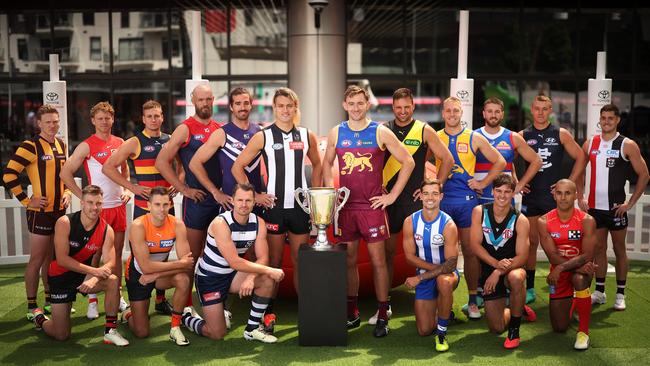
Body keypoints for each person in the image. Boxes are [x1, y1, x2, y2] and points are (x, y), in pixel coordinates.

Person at [322, 85, 415, 337]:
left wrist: (392, 195)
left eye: (360, 103)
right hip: (346, 208)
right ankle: (352, 312)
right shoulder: (336, 132)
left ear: (367, 104)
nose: (355, 108)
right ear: (344, 105)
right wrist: (331, 196)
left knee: (378, 261)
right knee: (349, 261)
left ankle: (383, 312)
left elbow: (409, 160)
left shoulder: (380, 132)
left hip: (372, 207)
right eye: (351, 103)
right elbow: (327, 165)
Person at [232, 87, 322, 333]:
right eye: (280, 106)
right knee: (273, 261)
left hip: (300, 209)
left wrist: (315, 199)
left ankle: (307, 312)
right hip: (273, 209)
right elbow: (238, 167)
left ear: (295, 108)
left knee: (300, 261)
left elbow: (318, 165)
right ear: (274, 108)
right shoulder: (263, 136)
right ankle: (268, 313)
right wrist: (256, 196)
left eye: (289, 106)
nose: (285, 110)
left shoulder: (306, 134)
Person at [376, 88, 453, 326]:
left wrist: (433, 185)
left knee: (424, 251)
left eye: (406, 107)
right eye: (398, 107)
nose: (402, 111)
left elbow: (447, 159)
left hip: (413, 201)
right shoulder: (383, 129)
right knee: (388, 253)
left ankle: (441, 299)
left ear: (413, 106)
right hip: (388, 201)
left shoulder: (424, 129)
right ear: (393, 108)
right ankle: (384, 305)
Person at [181, 183, 285, 343]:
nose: (244, 205)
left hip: (232, 275)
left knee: (266, 279)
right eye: (240, 200)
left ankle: (252, 329)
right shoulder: (221, 223)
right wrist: (269, 270)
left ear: (254, 202)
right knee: (216, 333)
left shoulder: (259, 223)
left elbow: (263, 257)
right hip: (210, 278)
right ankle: (186, 318)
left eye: (248, 201)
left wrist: (251, 277)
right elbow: (234, 261)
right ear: (233, 201)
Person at [103, 100, 180, 315]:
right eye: (150, 116)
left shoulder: (171, 140)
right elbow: (108, 167)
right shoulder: (135, 142)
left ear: (162, 117)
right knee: (140, 255)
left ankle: (161, 299)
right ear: (143, 119)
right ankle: (138, 298)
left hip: (167, 207)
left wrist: (178, 183)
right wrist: (132, 187)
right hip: (143, 209)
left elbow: (182, 166)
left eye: (158, 115)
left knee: (164, 251)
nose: (154, 120)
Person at [31, 185, 129, 346]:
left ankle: (110, 331)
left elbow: (111, 262)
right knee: (61, 334)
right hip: (60, 277)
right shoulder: (65, 222)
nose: (94, 207)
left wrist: (94, 278)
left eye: (98, 203)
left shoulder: (106, 230)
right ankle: (40, 318)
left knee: (112, 280)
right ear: (82, 203)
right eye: (90, 202)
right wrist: (94, 272)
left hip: (83, 276)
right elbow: (62, 259)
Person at [436, 96, 506, 319]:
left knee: (470, 251)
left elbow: (500, 162)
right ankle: (442, 302)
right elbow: (421, 162)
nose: (452, 115)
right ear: (443, 113)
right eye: (448, 111)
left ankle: (473, 300)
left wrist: (483, 183)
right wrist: (431, 182)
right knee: (442, 253)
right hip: (443, 202)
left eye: (456, 111)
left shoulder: (473, 137)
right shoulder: (435, 137)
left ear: (461, 113)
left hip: (467, 202)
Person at [155, 84, 222, 317]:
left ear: (213, 100)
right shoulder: (185, 129)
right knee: (191, 256)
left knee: (216, 254)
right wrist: (183, 188)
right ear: (193, 101)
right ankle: (183, 307)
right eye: (201, 99)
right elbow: (162, 162)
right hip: (197, 201)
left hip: (218, 198)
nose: (205, 103)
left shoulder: (218, 128)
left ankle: (214, 301)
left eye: (209, 99)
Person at [60, 101, 130, 318]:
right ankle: (91, 300)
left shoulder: (120, 142)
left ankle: (116, 295)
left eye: (107, 118)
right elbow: (65, 173)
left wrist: (128, 189)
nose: (104, 122)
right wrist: (84, 197)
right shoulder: (86, 145)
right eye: (100, 118)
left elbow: (125, 171)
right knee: (95, 255)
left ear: (113, 119)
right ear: (92, 121)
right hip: (98, 211)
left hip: (118, 207)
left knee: (116, 254)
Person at [3, 104, 72, 320]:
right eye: (48, 122)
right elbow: (8, 175)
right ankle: (32, 306)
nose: (53, 125)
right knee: (37, 258)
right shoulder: (30, 146)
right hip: (40, 212)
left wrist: (68, 192)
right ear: (39, 123)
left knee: (52, 259)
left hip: (59, 211)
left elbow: (66, 176)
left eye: (55, 121)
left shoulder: (62, 145)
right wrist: (26, 200)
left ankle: (50, 300)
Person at [577, 104, 649, 310]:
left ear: (617, 120)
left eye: (610, 118)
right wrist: (580, 196)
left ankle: (620, 294)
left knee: (619, 250)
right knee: (598, 249)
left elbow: (644, 175)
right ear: (599, 120)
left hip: (616, 208)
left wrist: (630, 203)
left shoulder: (627, 144)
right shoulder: (590, 143)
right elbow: (579, 170)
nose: (606, 121)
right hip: (594, 209)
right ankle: (600, 292)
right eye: (603, 118)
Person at [519, 95, 586, 305]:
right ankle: (529, 288)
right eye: (537, 108)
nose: (540, 112)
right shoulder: (522, 135)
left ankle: (560, 281)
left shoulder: (561, 133)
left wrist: (567, 183)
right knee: (530, 243)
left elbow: (582, 157)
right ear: (532, 109)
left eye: (544, 109)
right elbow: (504, 157)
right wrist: (517, 181)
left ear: (550, 111)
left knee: (559, 243)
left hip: (554, 199)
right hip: (531, 197)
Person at [469, 173, 536, 349]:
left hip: (510, 269)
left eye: (507, 192)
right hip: (489, 269)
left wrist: (499, 271)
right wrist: (494, 266)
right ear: (492, 191)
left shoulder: (520, 219)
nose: (502, 195)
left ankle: (515, 329)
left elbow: (522, 256)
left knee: (516, 278)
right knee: (496, 328)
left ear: (513, 193)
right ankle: (517, 307)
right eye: (498, 191)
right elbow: (474, 245)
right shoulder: (479, 212)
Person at [121, 187, 194, 346]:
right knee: (142, 332)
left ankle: (175, 327)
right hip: (138, 276)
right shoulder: (138, 225)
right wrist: (178, 264)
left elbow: (187, 264)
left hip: (156, 274)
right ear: (148, 205)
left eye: (165, 205)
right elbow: (146, 267)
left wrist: (156, 275)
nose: (162, 209)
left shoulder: (177, 224)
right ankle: (128, 315)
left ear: (170, 205)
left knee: (183, 279)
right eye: (157, 204)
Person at [538, 179, 597, 350]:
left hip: (580, 269)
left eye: (568, 193)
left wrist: (563, 267)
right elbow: (552, 255)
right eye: (559, 193)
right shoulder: (544, 221)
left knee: (579, 280)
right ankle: (575, 302)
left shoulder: (587, 220)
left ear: (575, 195)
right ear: (554, 195)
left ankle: (583, 333)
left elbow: (587, 255)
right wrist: (563, 267)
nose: (563, 197)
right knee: (559, 328)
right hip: (559, 272)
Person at [402, 179, 459, 352]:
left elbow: (450, 264)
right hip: (426, 273)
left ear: (441, 196)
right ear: (420, 196)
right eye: (426, 193)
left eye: (435, 193)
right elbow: (409, 257)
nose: (430, 197)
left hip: (446, 274)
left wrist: (420, 277)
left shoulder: (448, 225)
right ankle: (444, 311)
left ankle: (442, 332)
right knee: (424, 330)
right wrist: (428, 272)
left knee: (444, 281)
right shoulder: (410, 222)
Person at [475, 97, 542, 204]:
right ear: (484, 114)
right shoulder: (473, 136)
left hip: (505, 197)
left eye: (497, 111)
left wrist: (520, 185)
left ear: (502, 114)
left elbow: (537, 161)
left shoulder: (512, 137)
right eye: (489, 111)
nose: (493, 115)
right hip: (478, 196)